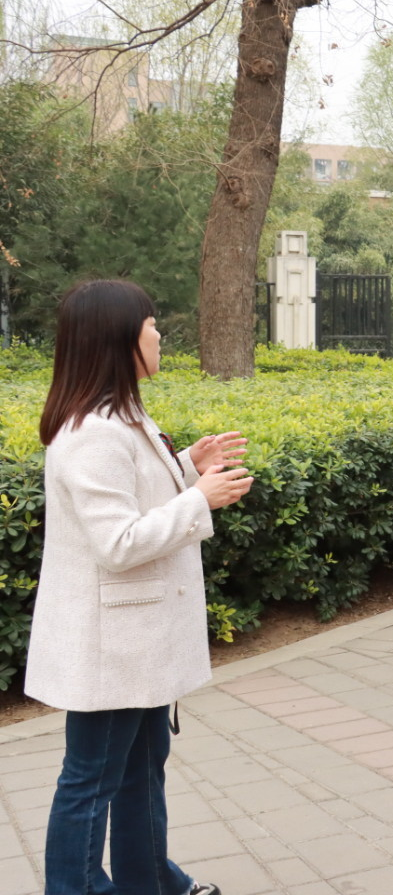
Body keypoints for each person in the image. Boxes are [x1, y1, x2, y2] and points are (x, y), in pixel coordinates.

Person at [26, 279, 253, 895]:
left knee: (140, 769)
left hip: (136, 641)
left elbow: (131, 499)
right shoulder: (93, 432)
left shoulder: (119, 417)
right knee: (92, 780)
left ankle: (150, 880)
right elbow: (118, 542)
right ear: (120, 338)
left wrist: (185, 468)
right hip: (114, 648)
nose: (159, 337)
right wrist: (199, 499)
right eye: (151, 327)